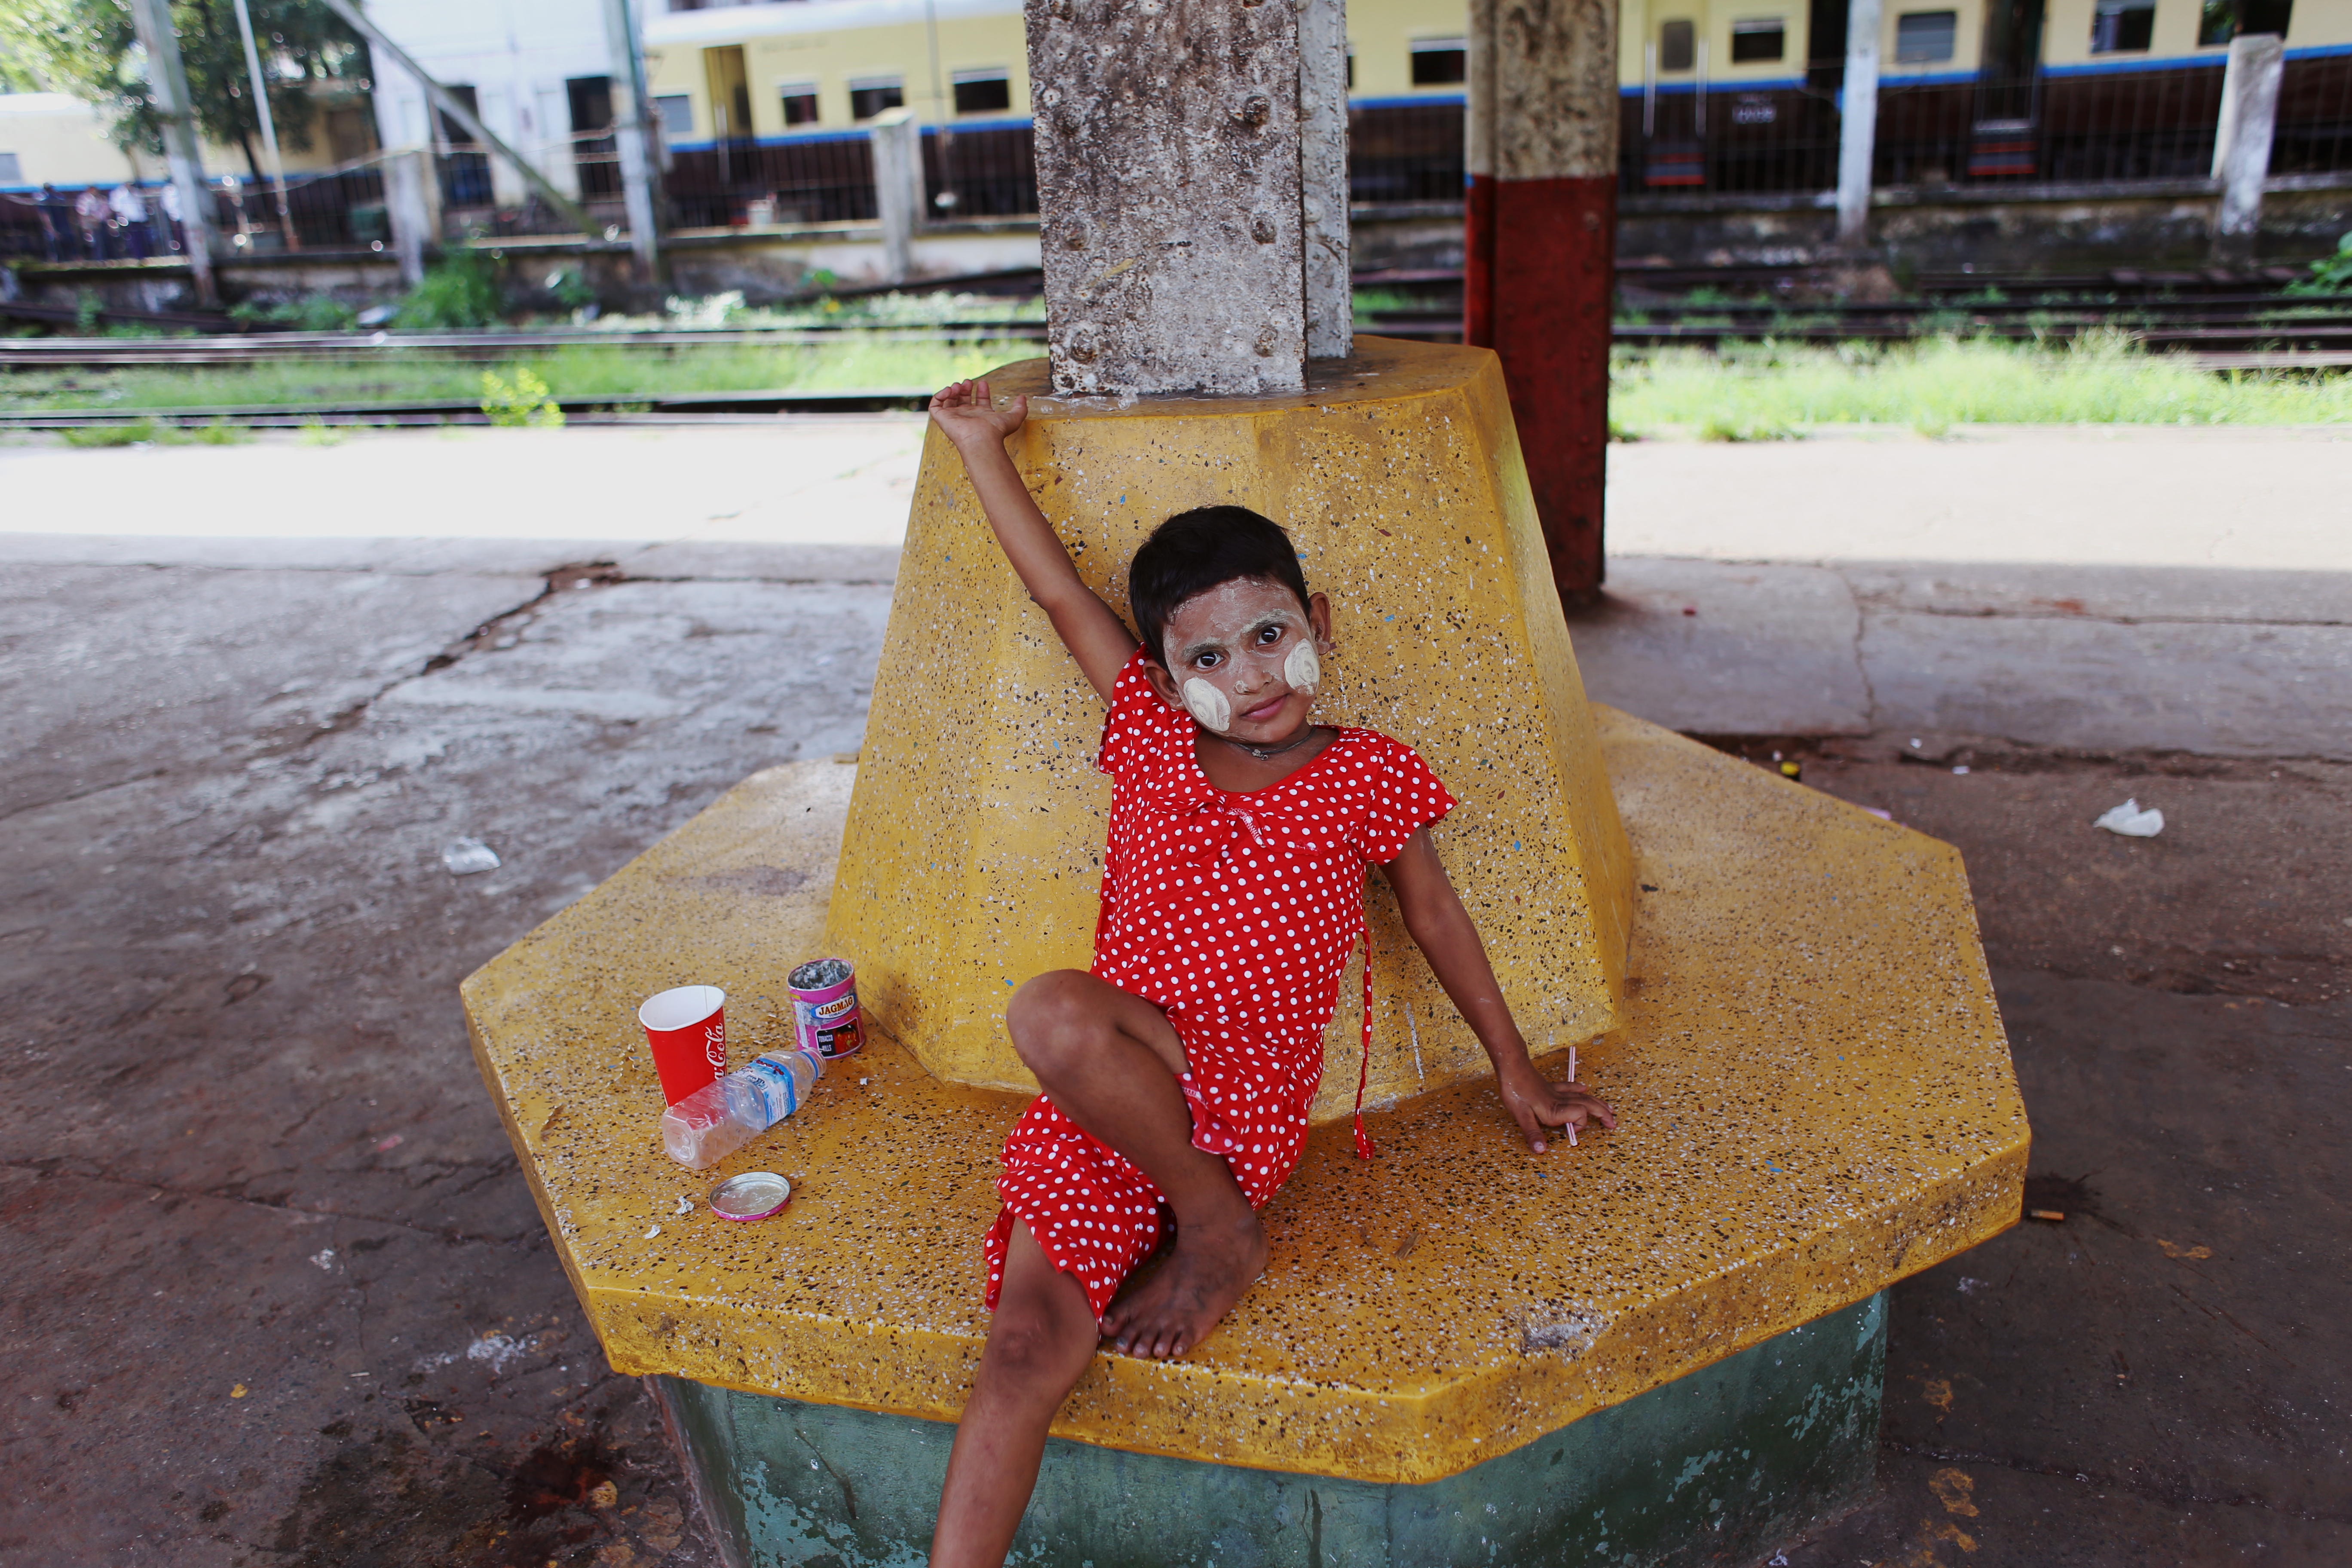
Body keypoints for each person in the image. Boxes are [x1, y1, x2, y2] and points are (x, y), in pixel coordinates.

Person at [922, 376, 1618, 1568]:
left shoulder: (1364, 772)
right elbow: (1055, 591)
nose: (1247, 676)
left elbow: (1436, 916)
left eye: (1267, 635)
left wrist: (1516, 1071)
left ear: (1318, 624)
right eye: (1206, 654)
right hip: (1106, 1099)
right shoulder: (1148, 733)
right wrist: (975, 442)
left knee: (1049, 1010)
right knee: (1024, 1351)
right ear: (1162, 675)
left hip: (1236, 1092)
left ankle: (1217, 1226)